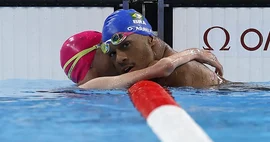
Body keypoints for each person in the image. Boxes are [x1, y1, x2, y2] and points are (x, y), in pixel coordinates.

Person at [101, 9, 228, 88]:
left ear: (151, 39)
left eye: (126, 45)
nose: (119, 59)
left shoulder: (178, 71)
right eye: (112, 54)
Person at [60, 30, 223, 89]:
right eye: (110, 52)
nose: (119, 59)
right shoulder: (92, 87)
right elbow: (162, 67)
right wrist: (194, 52)